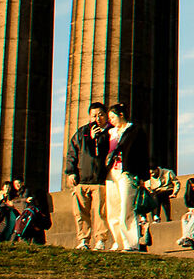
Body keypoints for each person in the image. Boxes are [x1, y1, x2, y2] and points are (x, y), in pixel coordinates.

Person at [63, 103, 114, 249]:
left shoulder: (111, 132)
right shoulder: (82, 132)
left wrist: (98, 137)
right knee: (80, 213)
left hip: (100, 180)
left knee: (100, 213)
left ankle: (100, 240)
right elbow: (72, 153)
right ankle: (83, 240)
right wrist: (70, 172)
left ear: (106, 115)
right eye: (94, 115)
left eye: (100, 115)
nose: (97, 118)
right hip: (82, 179)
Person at [104, 114, 147, 252]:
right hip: (111, 173)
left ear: (121, 115)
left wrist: (142, 176)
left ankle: (130, 243)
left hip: (127, 172)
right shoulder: (109, 132)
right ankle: (118, 241)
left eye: (112, 116)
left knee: (126, 208)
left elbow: (142, 153)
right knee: (113, 209)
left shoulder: (134, 131)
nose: (110, 120)